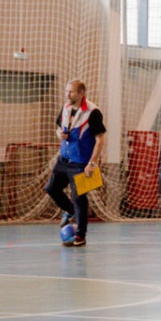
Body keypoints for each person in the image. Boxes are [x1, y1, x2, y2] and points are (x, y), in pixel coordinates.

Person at [45, 80, 106, 248]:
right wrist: (60, 134)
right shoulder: (66, 108)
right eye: (66, 91)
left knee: (79, 198)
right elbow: (59, 127)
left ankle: (80, 235)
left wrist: (92, 163)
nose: (67, 95)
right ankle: (71, 211)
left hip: (81, 163)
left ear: (81, 93)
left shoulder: (93, 112)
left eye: (71, 92)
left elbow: (100, 139)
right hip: (64, 159)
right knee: (51, 188)